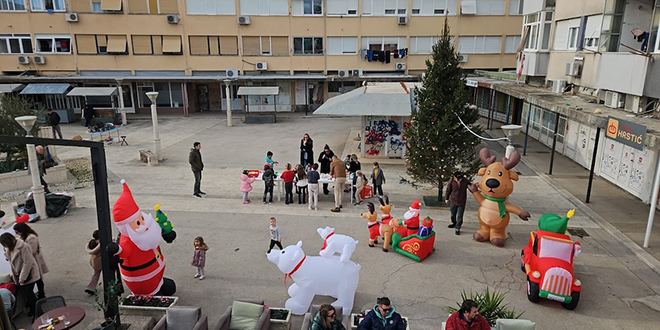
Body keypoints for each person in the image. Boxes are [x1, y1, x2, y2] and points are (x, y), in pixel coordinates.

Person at [0, 233, 40, 317]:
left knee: (30, 294)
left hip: (28, 273)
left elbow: (28, 262)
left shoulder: (23, 246)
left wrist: (22, 277)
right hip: (18, 274)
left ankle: (38, 311)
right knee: (26, 293)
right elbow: (9, 259)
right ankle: (33, 309)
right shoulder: (9, 248)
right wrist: (5, 251)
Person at [13, 223, 48, 299]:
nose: (17, 234)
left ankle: (41, 294)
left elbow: (32, 250)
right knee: (37, 278)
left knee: (38, 278)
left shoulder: (31, 238)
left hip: (35, 259)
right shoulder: (23, 237)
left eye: (17, 232)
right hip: (31, 258)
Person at [445, 171, 470, 235]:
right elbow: (448, 190)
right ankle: (454, 223)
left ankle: (458, 228)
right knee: (453, 214)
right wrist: (446, 198)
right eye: (458, 179)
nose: (460, 180)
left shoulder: (465, 181)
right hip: (453, 201)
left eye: (461, 178)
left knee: (460, 215)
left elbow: (470, 186)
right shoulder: (451, 181)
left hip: (462, 201)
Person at [85, 230, 101, 295]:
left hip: (95, 262)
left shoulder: (92, 243)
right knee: (110, 273)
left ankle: (90, 288)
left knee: (96, 275)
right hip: (102, 262)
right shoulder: (99, 245)